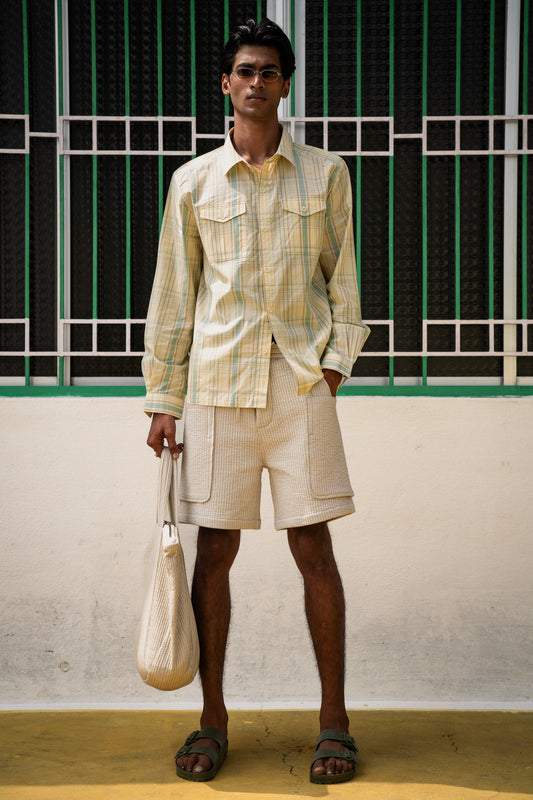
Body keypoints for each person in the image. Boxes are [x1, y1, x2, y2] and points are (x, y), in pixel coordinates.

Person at [142, 17, 369, 785]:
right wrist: (162, 398)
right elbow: (175, 295)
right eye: (244, 70)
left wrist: (330, 368)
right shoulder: (193, 183)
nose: (255, 82)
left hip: (298, 385)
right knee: (214, 551)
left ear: (285, 82)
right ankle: (212, 722)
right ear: (225, 82)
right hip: (214, 387)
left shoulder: (326, 173)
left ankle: (333, 726)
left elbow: (345, 286)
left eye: (269, 71)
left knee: (314, 550)